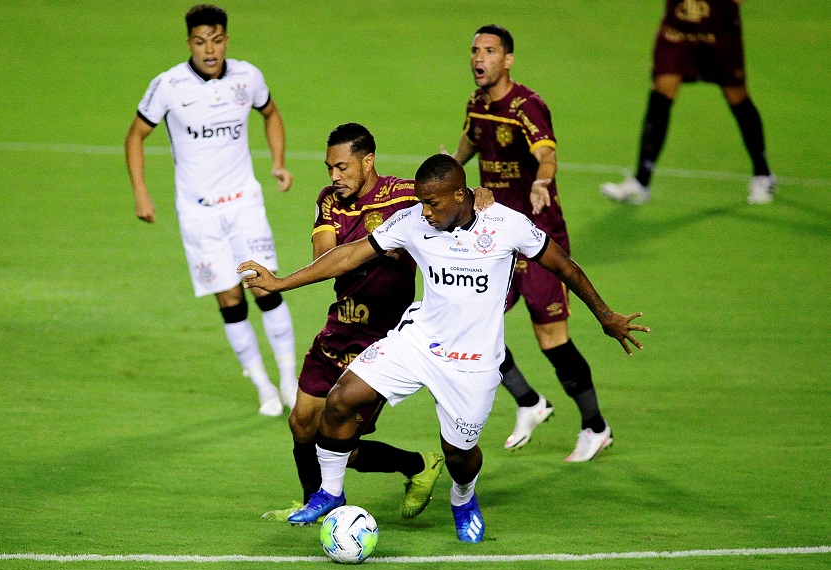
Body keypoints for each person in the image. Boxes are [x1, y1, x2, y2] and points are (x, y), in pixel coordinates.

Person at [239, 154, 649, 542]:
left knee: (459, 454)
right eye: (421, 203)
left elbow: (564, 265)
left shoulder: (507, 224)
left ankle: (463, 498)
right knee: (342, 399)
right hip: (418, 342)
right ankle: (330, 493)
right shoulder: (414, 220)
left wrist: (605, 314)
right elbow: (348, 255)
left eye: (432, 203)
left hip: (473, 363)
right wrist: (279, 282)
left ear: (460, 195)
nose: (426, 212)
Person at [261, 123, 494, 523]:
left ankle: (418, 465)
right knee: (301, 423)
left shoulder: (406, 196)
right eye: (329, 168)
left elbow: (459, 201)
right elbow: (325, 256)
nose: (334, 177)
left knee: (338, 442)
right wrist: (377, 247)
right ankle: (312, 504)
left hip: (382, 338)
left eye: (342, 167)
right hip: (341, 325)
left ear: (367, 161)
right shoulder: (329, 201)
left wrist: (483, 193)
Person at [446, 24, 615, 461]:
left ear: (508, 59)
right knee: (472, 326)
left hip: (537, 237)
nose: (478, 58)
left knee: (551, 338)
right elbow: (472, 136)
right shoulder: (477, 103)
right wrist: (451, 165)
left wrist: (542, 180)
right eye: (474, 50)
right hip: (492, 237)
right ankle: (528, 401)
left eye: (489, 51)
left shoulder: (528, 105)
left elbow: (547, 152)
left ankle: (596, 427)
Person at [124, 4, 298, 416]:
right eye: (201, 41)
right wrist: (141, 193)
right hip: (198, 213)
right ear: (189, 43)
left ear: (226, 40)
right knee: (229, 298)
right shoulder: (168, 85)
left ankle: (289, 381)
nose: (210, 49)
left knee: (264, 287)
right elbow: (135, 137)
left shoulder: (247, 77)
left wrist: (278, 161)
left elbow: (270, 113)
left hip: (244, 204)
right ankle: (262, 386)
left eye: (217, 40)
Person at [600, 0, 775, 205]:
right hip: (678, 30)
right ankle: (641, 182)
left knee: (736, 95)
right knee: (662, 90)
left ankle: (763, 174)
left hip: (719, 29)